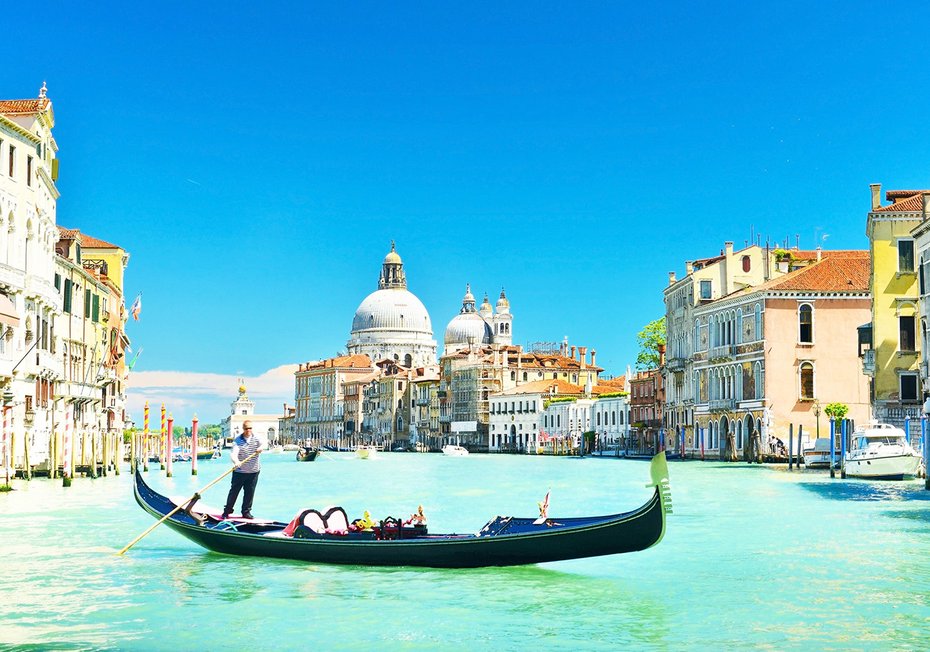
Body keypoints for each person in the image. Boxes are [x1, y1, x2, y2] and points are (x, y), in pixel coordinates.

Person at [222, 421, 264, 519]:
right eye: (246, 428)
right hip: (239, 472)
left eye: (250, 428)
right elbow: (233, 453)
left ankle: (246, 512)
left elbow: (264, 444)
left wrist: (261, 448)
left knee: (250, 492)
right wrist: (236, 461)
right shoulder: (237, 440)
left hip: (254, 471)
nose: (248, 430)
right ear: (243, 429)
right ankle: (227, 511)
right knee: (234, 492)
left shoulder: (256, 438)